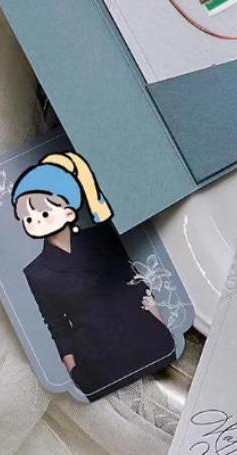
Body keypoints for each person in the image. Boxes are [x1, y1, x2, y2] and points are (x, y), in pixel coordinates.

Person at [11, 152, 176, 400]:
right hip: (98, 366)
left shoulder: (102, 236)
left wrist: (160, 326)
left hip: (147, 341)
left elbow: (135, 282)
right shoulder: (37, 272)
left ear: (68, 211)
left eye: (43, 213)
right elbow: (56, 325)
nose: (36, 221)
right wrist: (74, 369)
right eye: (28, 218)